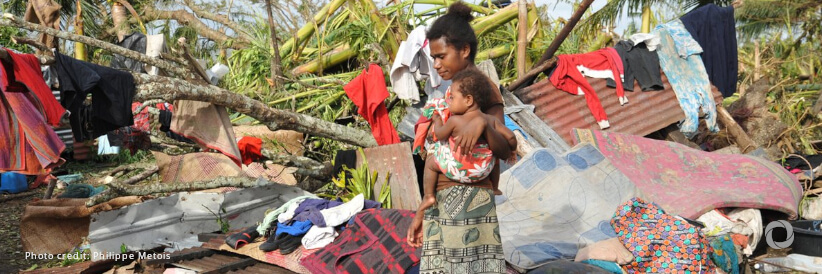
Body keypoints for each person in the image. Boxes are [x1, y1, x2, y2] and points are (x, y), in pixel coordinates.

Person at [406, 2, 513, 273]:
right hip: (442, 199)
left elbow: (504, 151)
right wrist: (423, 209)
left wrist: (484, 123)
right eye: (434, 58)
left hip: (470, 203)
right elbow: (438, 149)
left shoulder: (482, 91)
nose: (437, 65)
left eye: (441, 56)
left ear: (464, 50)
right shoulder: (452, 92)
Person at [419, 67, 516, 214]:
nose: (449, 101)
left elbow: (440, 135)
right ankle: (495, 189)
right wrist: (513, 150)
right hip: (482, 172)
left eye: (452, 97)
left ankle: (428, 196)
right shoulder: (490, 120)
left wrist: (437, 120)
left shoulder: (455, 121)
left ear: (468, 100)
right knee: (493, 157)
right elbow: (510, 137)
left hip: (458, 170)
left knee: (431, 162)